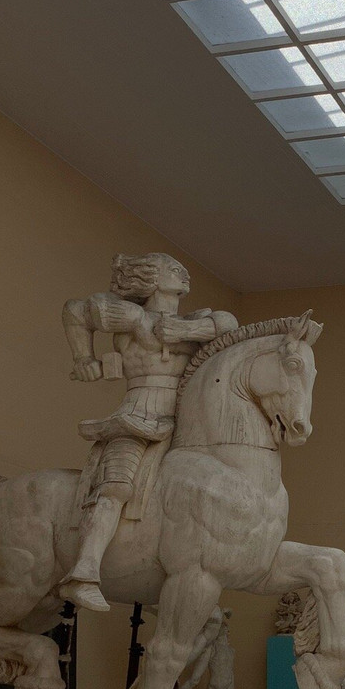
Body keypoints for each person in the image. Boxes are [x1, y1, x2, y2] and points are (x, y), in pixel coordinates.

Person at [59, 252, 238, 612]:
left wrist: (185, 331)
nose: (183, 274)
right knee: (116, 485)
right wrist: (84, 359)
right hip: (140, 411)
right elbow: (75, 311)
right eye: (173, 269)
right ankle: (84, 571)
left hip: (188, 420)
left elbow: (228, 324)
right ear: (152, 278)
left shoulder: (196, 320)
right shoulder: (130, 316)